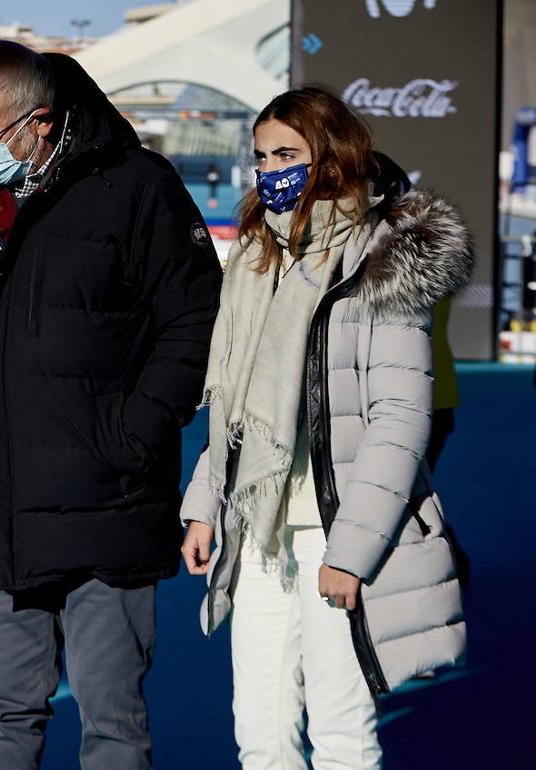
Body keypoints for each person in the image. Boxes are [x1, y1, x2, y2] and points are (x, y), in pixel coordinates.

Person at [0, 41, 222, 769]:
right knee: (4, 706)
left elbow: (196, 321)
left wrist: (136, 430)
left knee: (112, 723)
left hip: (107, 502)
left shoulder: (138, 187)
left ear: (39, 121)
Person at [179, 87, 471, 769]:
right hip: (258, 521)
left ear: (333, 157)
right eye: (260, 156)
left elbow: (399, 418)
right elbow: (235, 402)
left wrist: (353, 551)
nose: (270, 169)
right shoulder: (260, 255)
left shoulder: (383, 258)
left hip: (335, 528)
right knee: (259, 728)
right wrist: (204, 506)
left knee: (341, 732)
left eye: (287, 153)